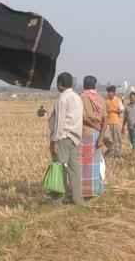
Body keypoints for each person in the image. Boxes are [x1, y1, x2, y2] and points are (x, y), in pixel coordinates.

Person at [48, 72, 83, 205]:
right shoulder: (77, 97)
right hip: (75, 137)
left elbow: (59, 122)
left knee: (59, 168)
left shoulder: (62, 99)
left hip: (63, 137)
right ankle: (76, 198)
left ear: (60, 84)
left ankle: (57, 200)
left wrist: (54, 141)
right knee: (74, 168)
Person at [80, 76, 107, 198]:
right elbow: (106, 119)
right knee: (95, 164)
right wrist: (101, 135)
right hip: (97, 135)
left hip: (86, 134)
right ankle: (96, 190)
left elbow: (84, 118)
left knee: (84, 164)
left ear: (84, 85)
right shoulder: (100, 99)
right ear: (95, 85)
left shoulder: (82, 98)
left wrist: (95, 127)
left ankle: (85, 192)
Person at [104, 85, 124, 158]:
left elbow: (121, 110)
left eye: (109, 92)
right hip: (107, 122)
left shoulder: (118, 100)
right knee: (105, 137)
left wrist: (112, 110)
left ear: (113, 92)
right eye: (107, 92)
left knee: (117, 138)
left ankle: (118, 153)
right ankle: (110, 150)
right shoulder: (106, 101)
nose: (108, 94)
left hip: (115, 122)